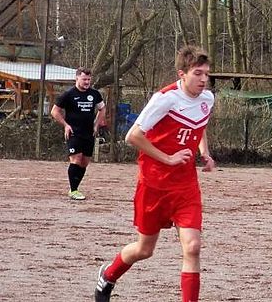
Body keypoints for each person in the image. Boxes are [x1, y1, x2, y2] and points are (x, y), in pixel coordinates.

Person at [94, 46, 216, 302]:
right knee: (144, 249)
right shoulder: (165, 99)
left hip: (185, 186)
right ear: (182, 74)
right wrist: (168, 158)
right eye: (198, 73)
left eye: (206, 73)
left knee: (193, 247)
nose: (204, 79)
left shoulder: (207, 98)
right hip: (154, 184)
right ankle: (109, 274)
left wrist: (204, 152)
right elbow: (132, 136)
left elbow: (200, 125)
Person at [51, 67, 106, 200]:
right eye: (84, 79)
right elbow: (54, 111)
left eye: (89, 79)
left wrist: (96, 124)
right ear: (77, 78)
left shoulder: (94, 94)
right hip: (74, 132)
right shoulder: (68, 94)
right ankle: (74, 190)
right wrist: (66, 125)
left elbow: (102, 109)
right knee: (76, 159)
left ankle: (74, 188)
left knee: (84, 162)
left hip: (88, 133)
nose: (87, 82)